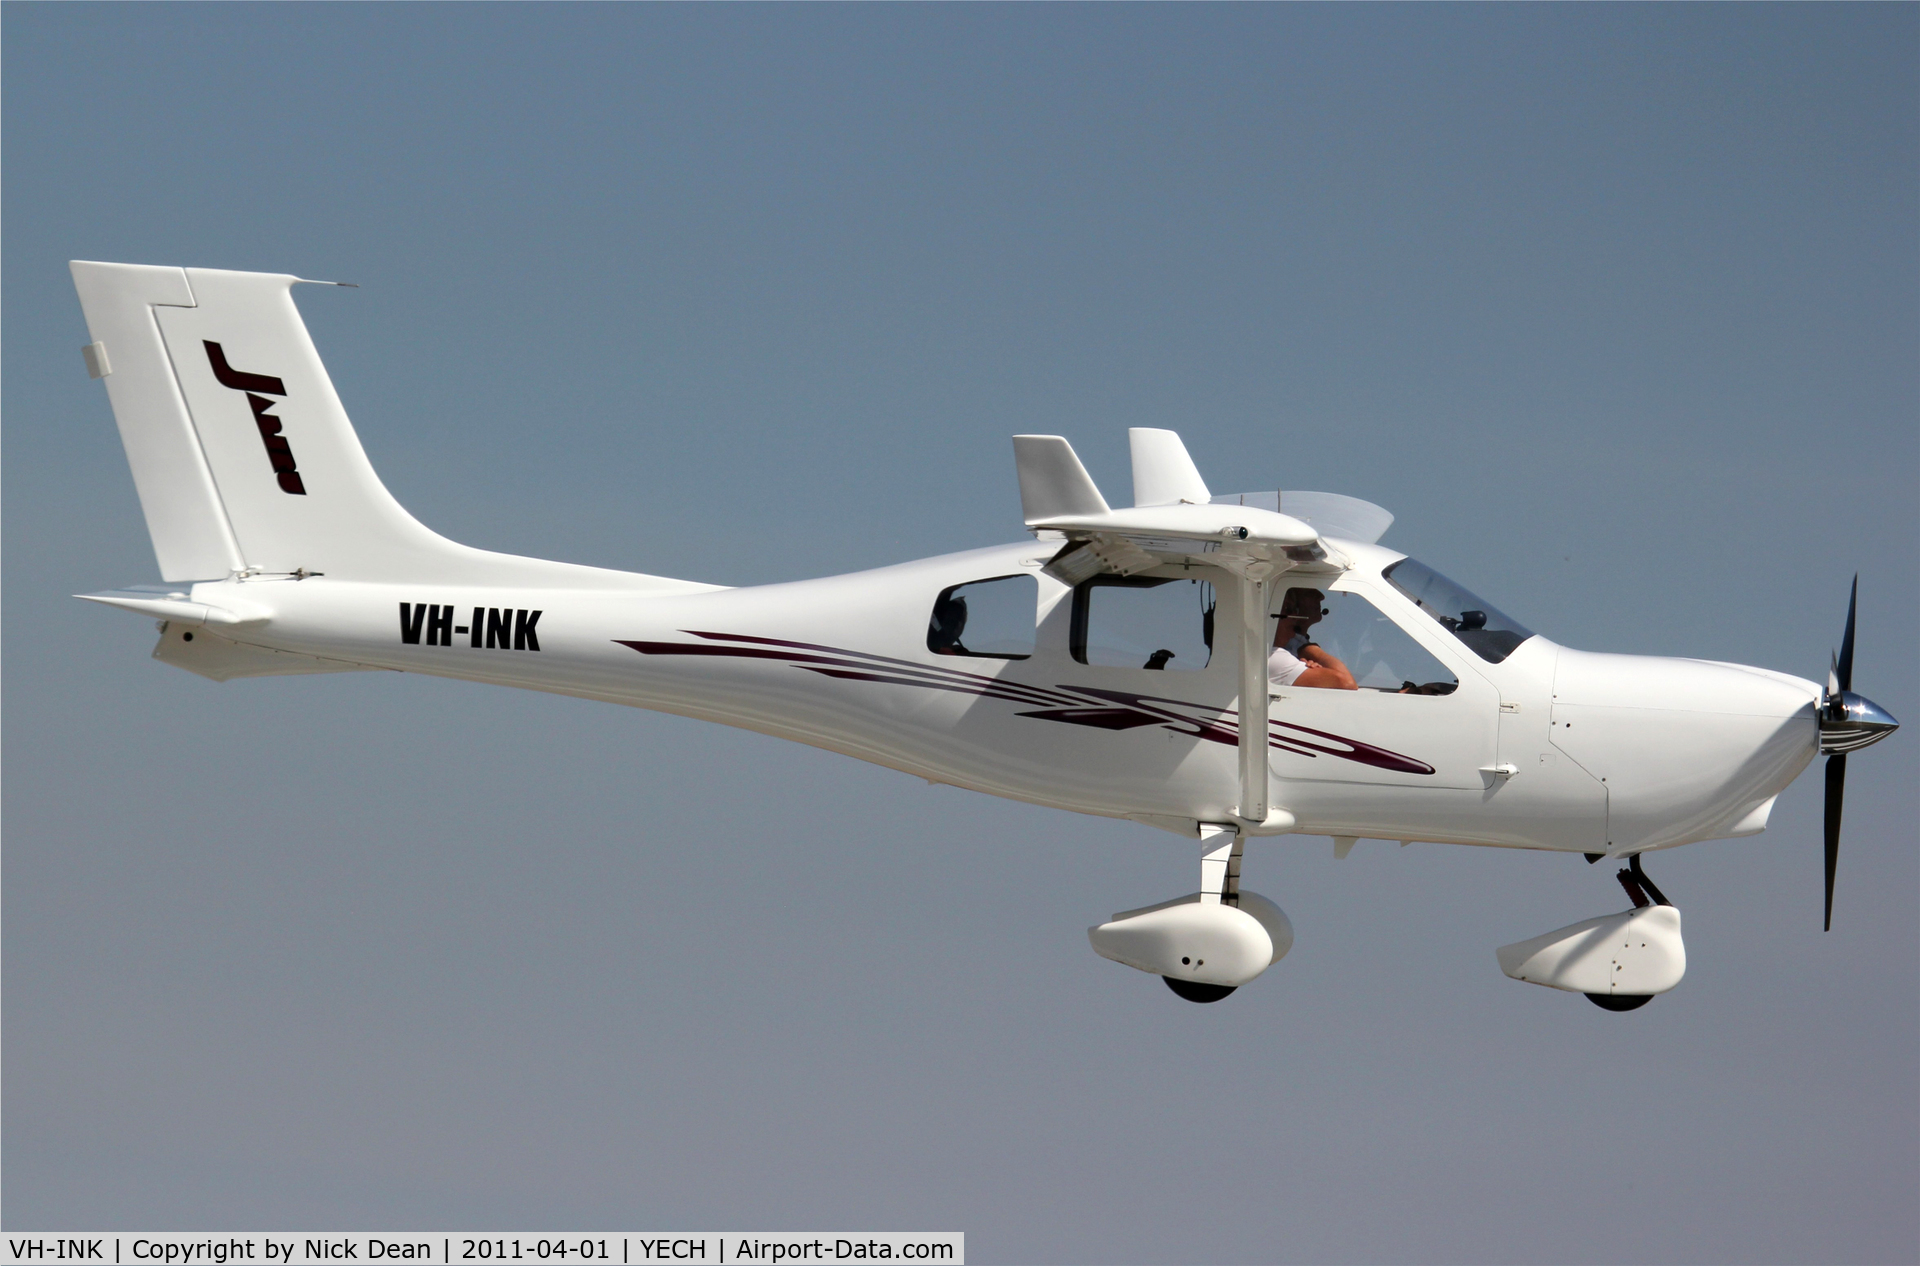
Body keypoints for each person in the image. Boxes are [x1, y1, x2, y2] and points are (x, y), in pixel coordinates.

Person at [1268, 588, 1356, 690]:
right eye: (1289, 609)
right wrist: (1309, 649)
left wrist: (1315, 668)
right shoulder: (1273, 656)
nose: (1321, 597)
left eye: (1294, 610)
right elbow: (1347, 683)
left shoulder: (1329, 642)